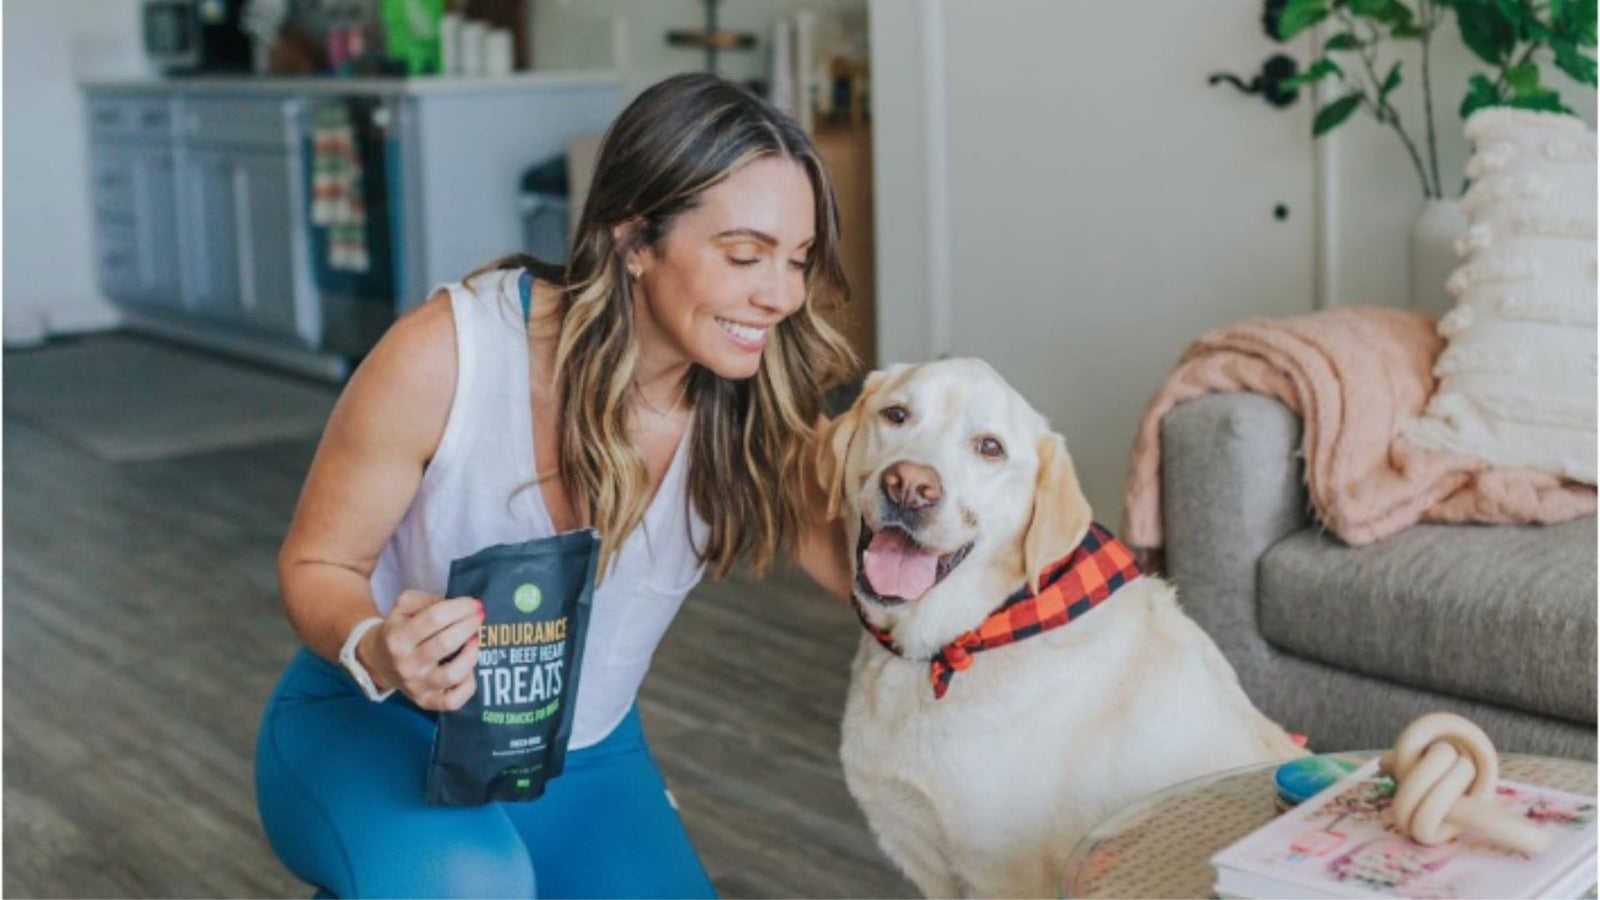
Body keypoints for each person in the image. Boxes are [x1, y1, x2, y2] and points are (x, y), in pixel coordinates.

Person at [254, 72, 858, 899]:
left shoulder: (760, 396)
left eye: (798, 261)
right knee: (473, 887)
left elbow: (877, 575)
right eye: (747, 256)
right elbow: (315, 565)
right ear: (634, 238)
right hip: (375, 726)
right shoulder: (447, 355)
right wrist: (378, 647)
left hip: (584, 758)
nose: (782, 295)